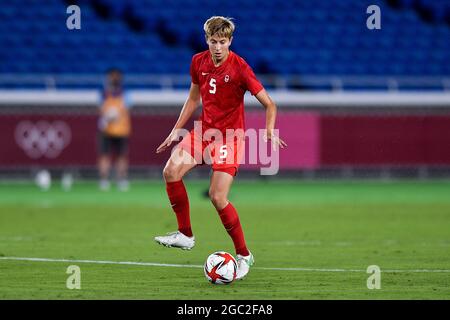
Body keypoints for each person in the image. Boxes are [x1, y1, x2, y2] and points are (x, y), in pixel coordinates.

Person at [154, 16, 287, 280]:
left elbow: (270, 104)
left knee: (217, 197)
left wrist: (270, 130)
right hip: (204, 131)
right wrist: (175, 129)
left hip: (230, 138)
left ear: (230, 41)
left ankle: (244, 254)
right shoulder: (197, 61)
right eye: (213, 41)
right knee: (170, 171)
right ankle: (185, 234)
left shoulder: (240, 67)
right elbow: (193, 99)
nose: (217, 47)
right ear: (206, 40)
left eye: (222, 42)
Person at [97, 68, 132, 191]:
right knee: (104, 155)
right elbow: (101, 109)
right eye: (112, 76)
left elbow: (126, 109)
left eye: (116, 76)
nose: (114, 78)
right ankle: (104, 180)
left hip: (121, 130)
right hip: (106, 130)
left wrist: (116, 115)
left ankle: (121, 179)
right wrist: (107, 117)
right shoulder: (103, 94)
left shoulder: (125, 94)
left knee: (121, 156)